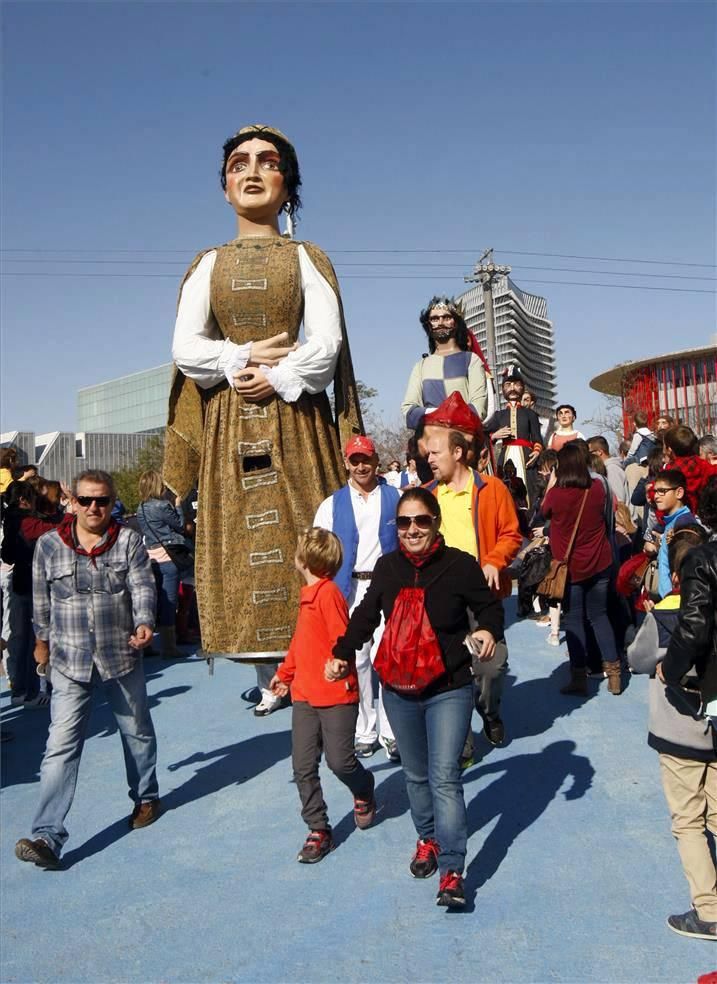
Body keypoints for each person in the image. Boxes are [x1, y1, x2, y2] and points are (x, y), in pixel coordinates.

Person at [164, 124, 362, 672]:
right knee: (240, 545)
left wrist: (279, 376)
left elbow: (326, 345)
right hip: (230, 417)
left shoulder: (307, 257)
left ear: (287, 182)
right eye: (238, 164)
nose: (251, 171)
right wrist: (241, 357)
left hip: (297, 417)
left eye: (266, 161)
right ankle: (260, 661)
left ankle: (326, 654)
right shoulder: (207, 263)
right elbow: (186, 348)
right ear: (225, 187)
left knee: (312, 534)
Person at [334, 488, 504, 908]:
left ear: (436, 522)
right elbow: (366, 614)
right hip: (399, 689)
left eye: (421, 521)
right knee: (415, 775)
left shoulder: (459, 566)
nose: (412, 529)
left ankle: (451, 870)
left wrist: (486, 630)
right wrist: (341, 652)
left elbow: (491, 608)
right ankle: (427, 838)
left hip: (449, 687)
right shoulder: (387, 567)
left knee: (444, 775)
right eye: (404, 522)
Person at [14, 470, 159, 870]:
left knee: (137, 733)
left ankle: (146, 796)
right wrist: (41, 645)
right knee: (60, 746)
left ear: (113, 503)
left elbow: (143, 585)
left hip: (121, 653)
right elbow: (40, 602)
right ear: (72, 502)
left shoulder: (129, 540)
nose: (94, 508)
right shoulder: (48, 545)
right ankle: (47, 834)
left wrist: (145, 621)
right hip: (69, 659)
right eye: (86, 500)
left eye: (103, 501)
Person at [269, 527, 376, 863]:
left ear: (303, 560)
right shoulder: (307, 596)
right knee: (302, 765)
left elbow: (342, 637)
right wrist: (285, 675)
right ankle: (318, 828)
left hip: (336, 695)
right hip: (304, 696)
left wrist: (340, 663)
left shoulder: (327, 594)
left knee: (340, 761)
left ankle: (363, 787)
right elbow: (302, 644)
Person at [422, 393, 522, 746]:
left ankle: (490, 711)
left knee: (490, 669)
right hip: (441, 601)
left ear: (459, 452)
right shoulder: (425, 495)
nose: (428, 458)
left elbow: (512, 533)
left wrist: (495, 560)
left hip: (483, 599)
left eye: (435, 453)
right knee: (450, 672)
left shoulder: (492, 489)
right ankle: (460, 739)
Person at [656, 478, 717, 939]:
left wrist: (671, 671)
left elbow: (694, 624)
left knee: (689, 816)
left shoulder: (704, 559)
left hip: (709, 693)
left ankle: (709, 911)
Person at [313, 435, 400, 759]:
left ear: (376, 460)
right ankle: (366, 729)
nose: (361, 465)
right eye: (355, 460)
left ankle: (391, 733)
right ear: (346, 463)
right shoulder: (331, 504)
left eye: (366, 459)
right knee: (359, 660)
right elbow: (317, 549)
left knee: (388, 658)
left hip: (388, 589)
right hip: (349, 591)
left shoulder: (395, 497)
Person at [541, 443, 622, 696]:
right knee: (600, 616)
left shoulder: (556, 494)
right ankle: (615, 675)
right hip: (600, 562)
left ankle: (578, 677)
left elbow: (543, 511)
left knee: (574, 619)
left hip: (570, 569)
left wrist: (552, 482)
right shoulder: (598, 488)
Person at [401, 296, 489, 431]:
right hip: (432, 442)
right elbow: (409, 412)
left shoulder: (471, 360)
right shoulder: (421, 366)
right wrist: (445, 414)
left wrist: (434, 414)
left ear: (456, 322)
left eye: (447, 317)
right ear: (428, 324)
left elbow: (478, 409)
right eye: (434, 319)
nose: (440, 322)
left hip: (464, 440)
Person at [136, 470, 188, 659]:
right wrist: (178, 506)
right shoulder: (162, 506)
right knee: (169, 603)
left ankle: (146, 643)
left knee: (153, 601)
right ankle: (169, 647)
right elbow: (180, 525)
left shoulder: (140, 508)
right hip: (168, 556)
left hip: (151, 556)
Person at [484, 365, 543, 505]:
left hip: (526, 457)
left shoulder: (530, 414)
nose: (512, 388)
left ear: (522, 387)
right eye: (508, 384)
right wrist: (494, 436)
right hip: (505, 456)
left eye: (516, 384)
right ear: (503, 388)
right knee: (505, 489)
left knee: (530, 490)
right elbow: (483, 435)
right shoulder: (499, 415)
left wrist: (536, 451)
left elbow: (537, 438)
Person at [651, 470, 697, 599]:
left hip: (674, 599)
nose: (656, 496)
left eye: (662, 491)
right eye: (655, 491)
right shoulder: (669, 520)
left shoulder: (684, 524)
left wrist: (669, 599)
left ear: (679, 493)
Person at [663, 425, 717, 514]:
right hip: (702, 514)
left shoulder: (669, 471)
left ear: (669, 450)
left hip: (679, 516)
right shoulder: (703, 464)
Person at [587, 436, 630, 504]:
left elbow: (618, 501)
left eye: (589, 453)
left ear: (599, 452)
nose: (588, 457)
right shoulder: (607, 468)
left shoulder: (611, 469)